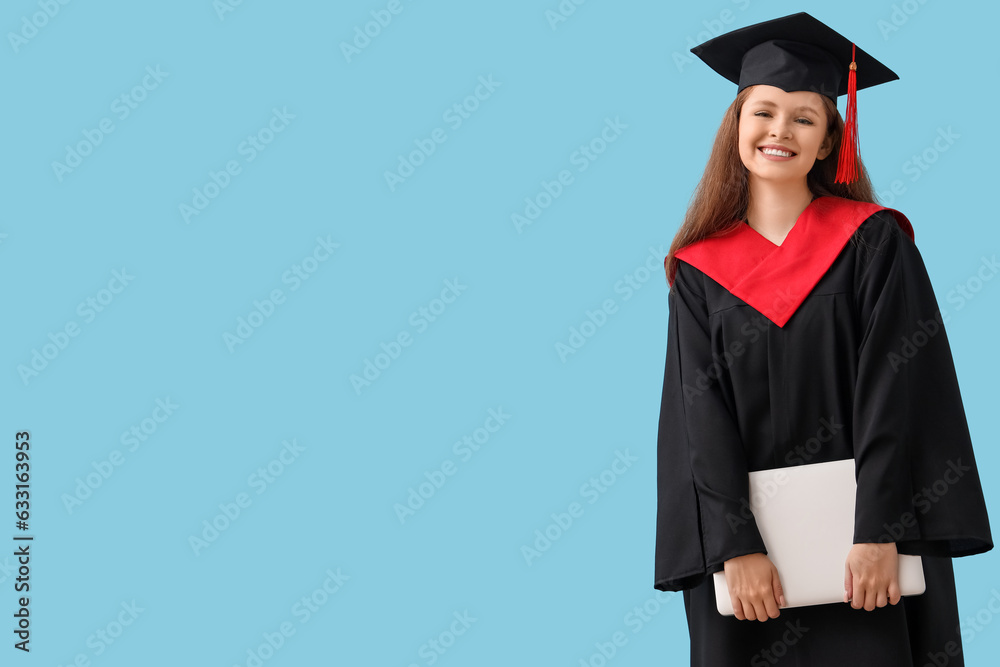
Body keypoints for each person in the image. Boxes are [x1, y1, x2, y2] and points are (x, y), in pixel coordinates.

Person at [653, 12, 993, 666]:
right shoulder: (698, 270)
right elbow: (698, 418)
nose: (780, 131)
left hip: (866, 558)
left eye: (804, 118)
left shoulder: (873, 243)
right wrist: (735, 547)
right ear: (737, 126)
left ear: (829, 140)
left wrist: (880, 532)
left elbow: (898, 390)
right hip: (753, 571)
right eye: (764, 112)